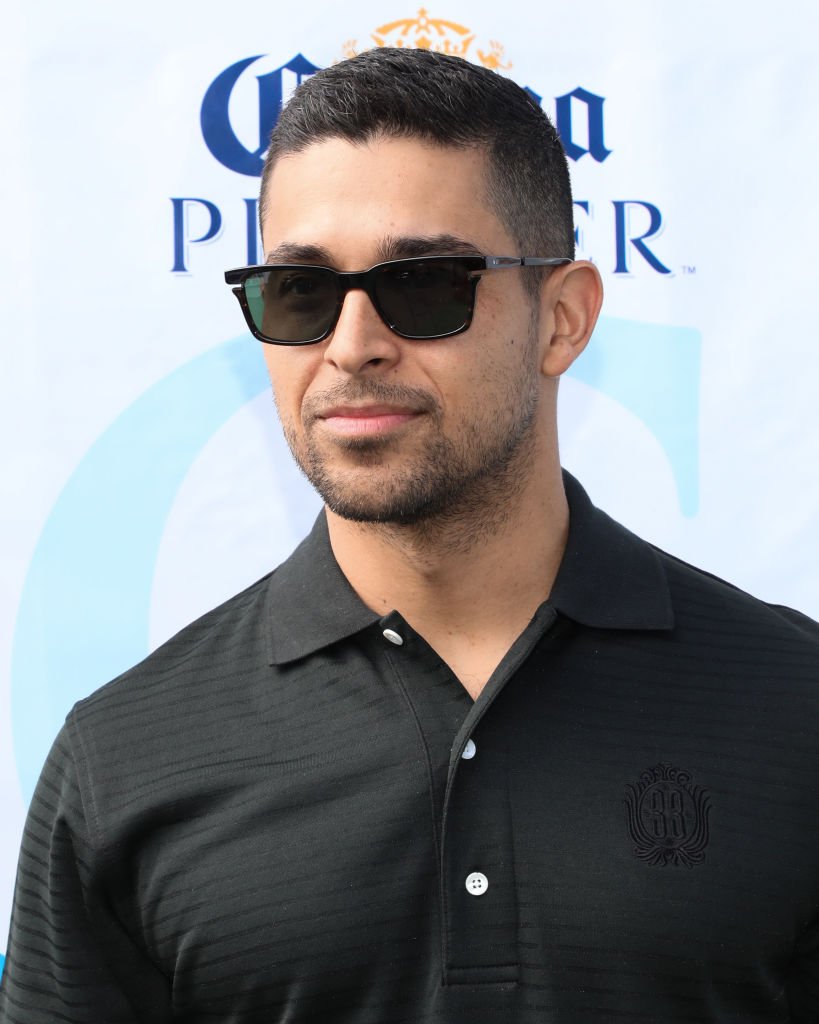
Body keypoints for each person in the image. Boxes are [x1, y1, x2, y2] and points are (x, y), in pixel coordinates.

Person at [2, 45, 819, 1024]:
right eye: (300, 292)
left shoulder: (794, 708)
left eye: (425, 281)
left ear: (562, 319)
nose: (351, 345)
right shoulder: (124, 758)